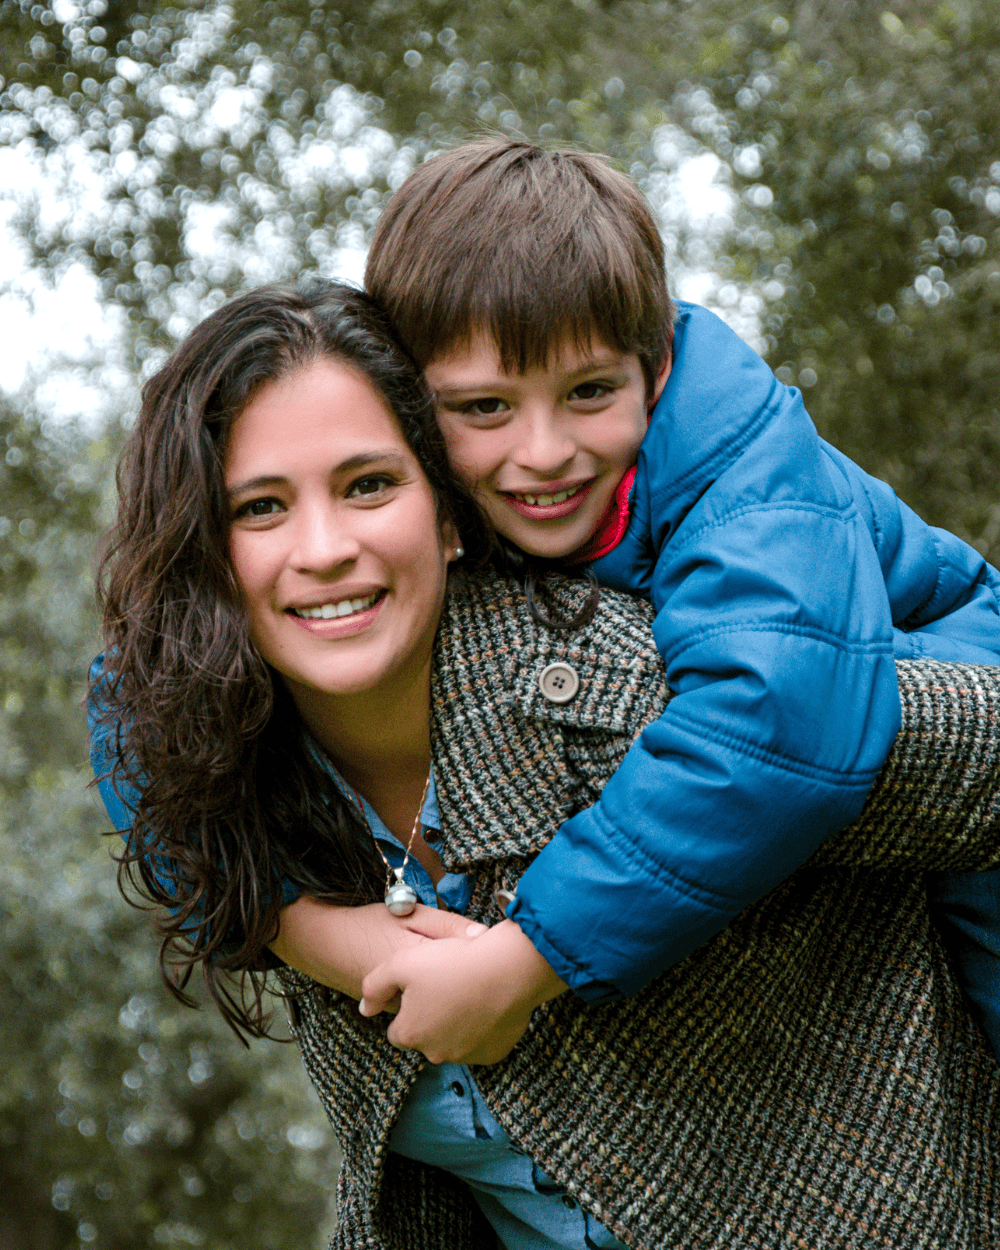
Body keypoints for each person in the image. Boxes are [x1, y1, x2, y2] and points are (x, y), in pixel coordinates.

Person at [90, 280, 1000, 1249]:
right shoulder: (223, 771)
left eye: (368, 485)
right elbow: (130, 733)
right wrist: (307, 929)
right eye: (260, 506)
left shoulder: (640, 694)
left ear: (446, 512)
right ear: (205, 555)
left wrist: (532, 958)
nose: (325, 547)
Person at [349, 138, 1000, 1059]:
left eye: (588, 392)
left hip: (965, 677)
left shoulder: (745, 461)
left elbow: (778, 715)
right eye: (484, 408)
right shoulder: (407, 491)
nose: (541, 452)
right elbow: (163, 687)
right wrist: (307, 925)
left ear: (655, 365)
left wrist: (523, 961)